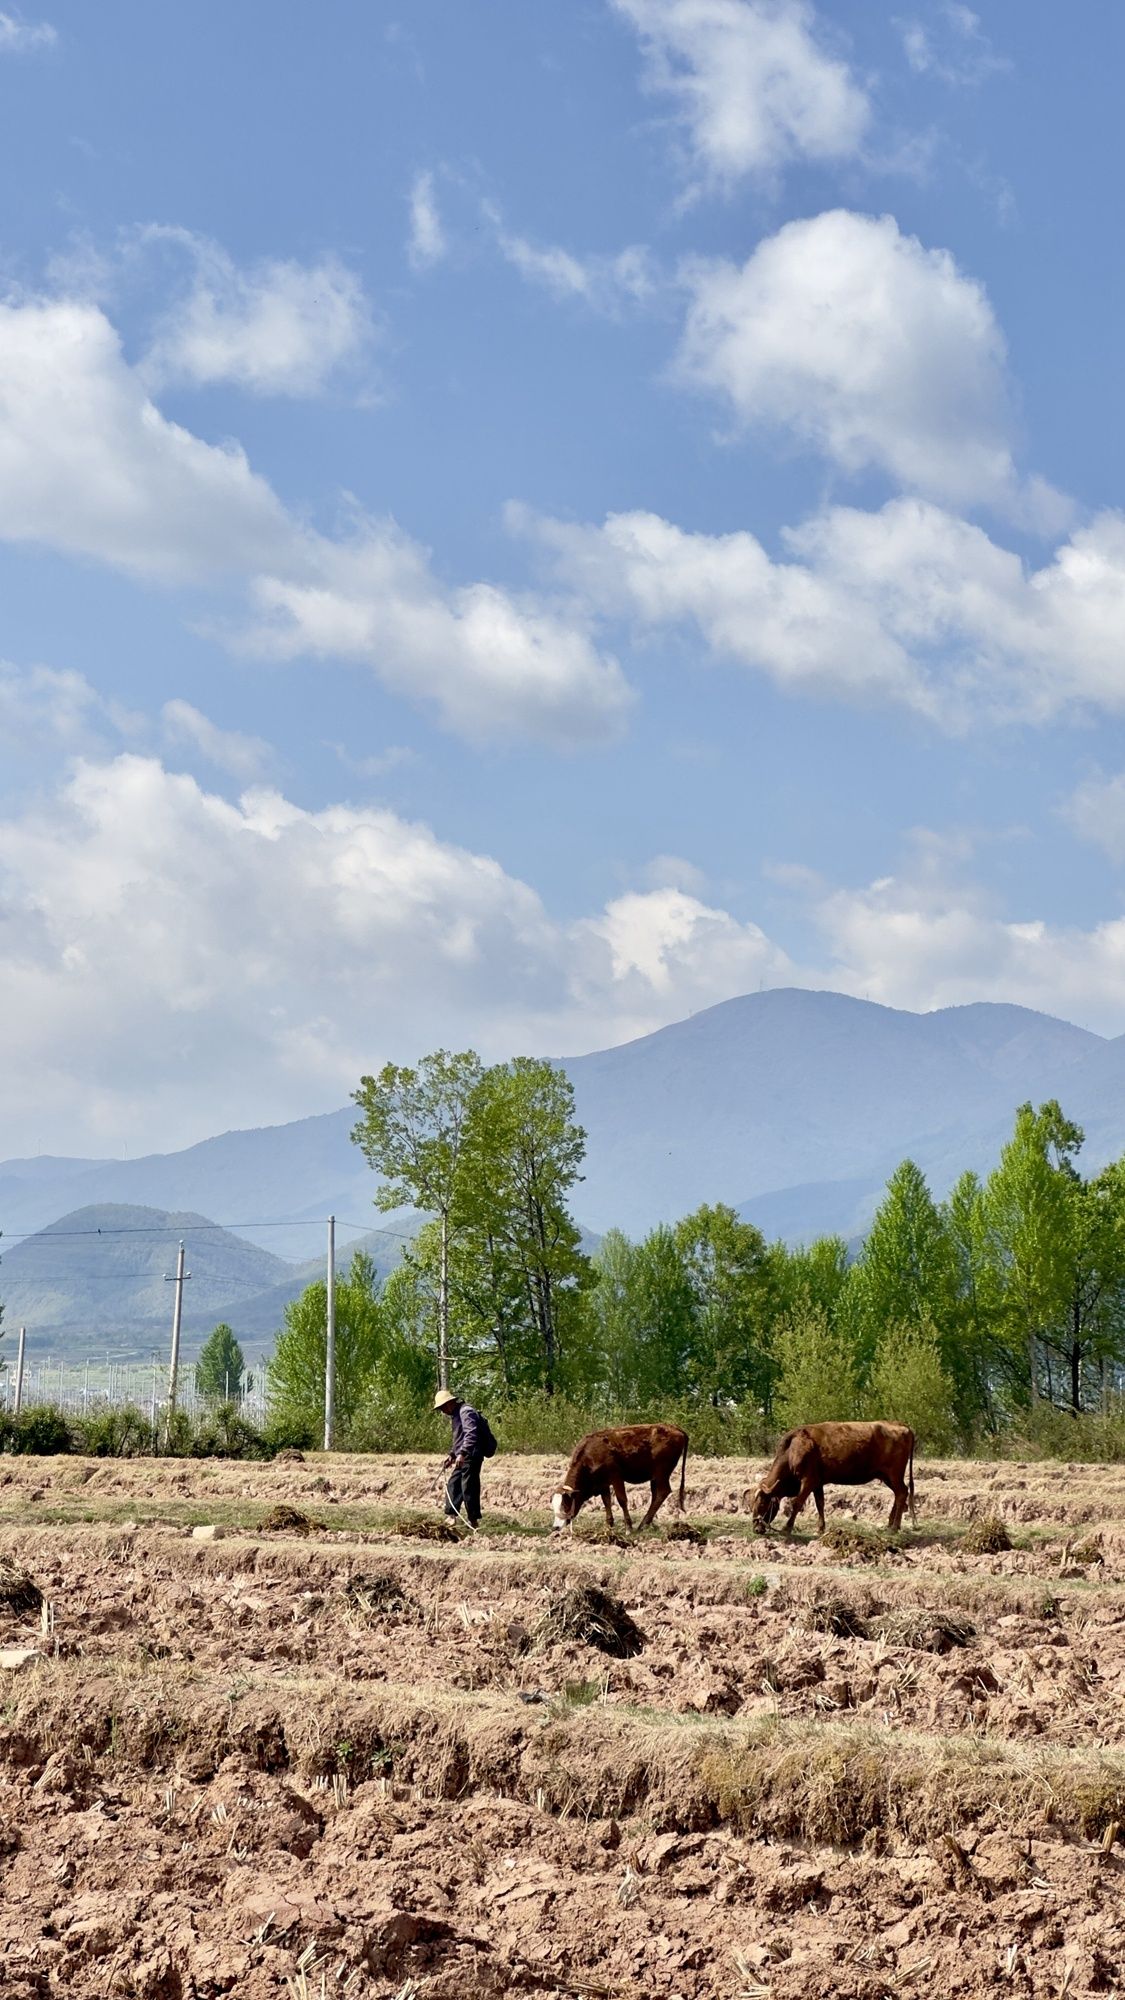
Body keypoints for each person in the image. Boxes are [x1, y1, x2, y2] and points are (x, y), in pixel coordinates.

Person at [434, 1387, 487, 1529]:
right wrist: (452, 1455)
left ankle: (473, 1521)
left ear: (449, 1403)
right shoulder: (456, 1415)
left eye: (442, 1408)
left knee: (469, 1487)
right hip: (463, 1455)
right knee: (453, 1483)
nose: (443, 1412)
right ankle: (451, 1516)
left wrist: (462, 1453)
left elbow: (471, 1434)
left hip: (472, 1455)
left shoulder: (466, 1412)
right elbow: (460, 1439)